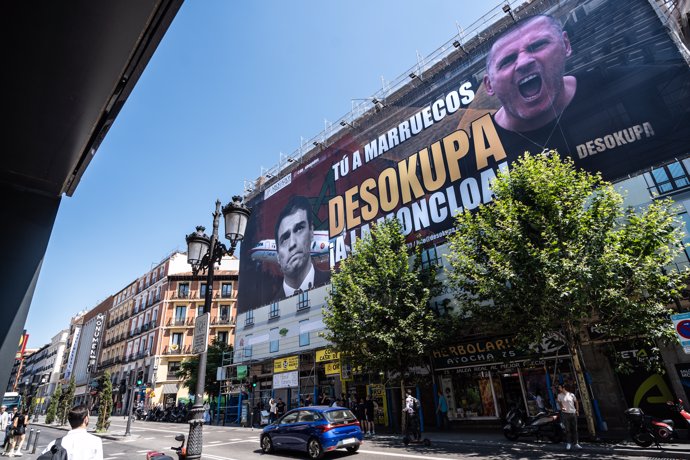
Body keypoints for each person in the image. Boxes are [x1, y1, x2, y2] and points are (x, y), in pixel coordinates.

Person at [484, 15, 575, 134]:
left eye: (537, 45)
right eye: (507, 60)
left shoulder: (604, 86)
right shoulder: (480, 149)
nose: (523, 62)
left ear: (565, 44)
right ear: (489, 85)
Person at [273, 196, 329, 301]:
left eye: (299, 229)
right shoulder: (269, 306)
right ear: (278, 258)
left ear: (311, 232)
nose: (292, 243)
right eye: (284, 239)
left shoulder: (338, 279)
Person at [557, 384, 581, 450]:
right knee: (567, 429)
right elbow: (559, 402)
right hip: (565, 414)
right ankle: (569, 443)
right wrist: (562, 407)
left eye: (560, 387)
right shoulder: (559, 395)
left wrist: (577, 410)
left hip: (573, 413)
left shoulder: (571, 394)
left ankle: (576, 443)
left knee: (575, 429)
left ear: (563, 388)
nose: (559, 389)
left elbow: (576, 402)